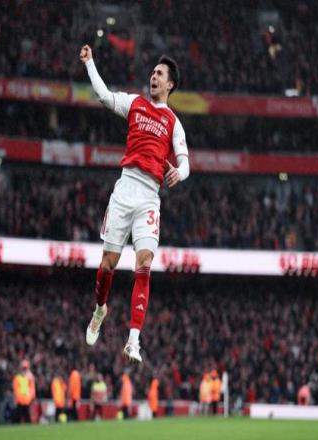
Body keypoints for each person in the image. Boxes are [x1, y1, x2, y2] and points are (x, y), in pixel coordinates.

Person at [80, 44, 190, 363]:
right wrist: (90, 63)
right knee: (107, 266)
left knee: (144, 264)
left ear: (170, 84)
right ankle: (100, 310)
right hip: (125, 189)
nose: (153, 76)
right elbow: (103, 96)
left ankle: (133, 341)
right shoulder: (135, 103)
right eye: (153, 72)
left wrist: (179, 173)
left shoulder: (173, 122)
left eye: (159, 74)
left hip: (149, 198)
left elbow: (185, 162)